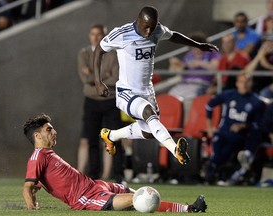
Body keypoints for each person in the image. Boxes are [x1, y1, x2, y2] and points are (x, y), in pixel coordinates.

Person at [93, 6, 219, 166]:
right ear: (138, 21)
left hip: (147, 91)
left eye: (152, 28)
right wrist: (98, 81)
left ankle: (111, 136)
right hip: (127, 91)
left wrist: (197, 45)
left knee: (148, 132)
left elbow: (174, 36)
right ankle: (176, 150)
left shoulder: (156, 30)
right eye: (145, 27)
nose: (148, 32)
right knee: (148, 113)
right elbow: (98, 50)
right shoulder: (122, 34)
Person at [22, 114, 207, 213]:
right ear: (37, 136)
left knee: (141, 195)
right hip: (85, 198)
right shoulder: (38, 156)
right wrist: (31, 208)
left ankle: (187, 209)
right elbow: (28, 186)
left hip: (97, 185)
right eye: (49, 130)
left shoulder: (47, 154)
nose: (54, 132)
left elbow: (36, 186)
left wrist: (35, 202)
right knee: (141, 199)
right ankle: (188, 209)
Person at [77, 24, 124, 183]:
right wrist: (104, 76)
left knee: (113, 137)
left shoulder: (114, 54)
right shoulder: (84, 54)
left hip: (111, 101)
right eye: (93, 34)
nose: (95, 37)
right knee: (91, 139)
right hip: (91, 101)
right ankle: (94, 174)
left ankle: (115, 174)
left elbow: (116, 78)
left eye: (99, 34)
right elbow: (85, 79)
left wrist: (95, 78)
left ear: (104, 35)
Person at [205, 73, 265, 185]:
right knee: (217, 152)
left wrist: (243, 125)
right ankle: (212, 173)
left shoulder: (256, 101)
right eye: (241, 82)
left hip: (240, 136)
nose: (244, 85)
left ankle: (224, 174)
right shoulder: (229, 95)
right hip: (223, 132)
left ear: (251, 83)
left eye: (247, 82)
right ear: (237, 83)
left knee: (228, 150)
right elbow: (209, 106)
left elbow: (258, 125)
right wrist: (209, 127)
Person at [168, 31, 221, 99]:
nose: (195, 50)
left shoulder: (211, 53)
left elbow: (215, 67)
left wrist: (200, 63)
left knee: (188, 96)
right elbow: (183, 70)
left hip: (201, 83)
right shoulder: (188, 55)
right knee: (171, 94)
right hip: (185, 82)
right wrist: (178, 64)